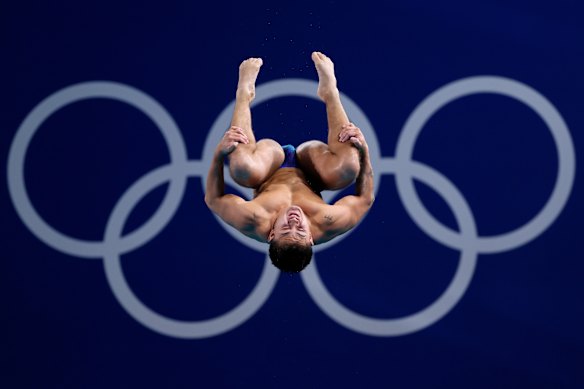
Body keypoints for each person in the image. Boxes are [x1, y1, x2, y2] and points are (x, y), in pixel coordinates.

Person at [205, 52, 374, 272]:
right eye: (301, 232)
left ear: (272, 234)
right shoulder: (328, 221)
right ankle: (330, 92)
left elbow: (213, 198)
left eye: (286, 231)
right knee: (349, 167)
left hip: (268, 165)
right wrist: (364, 150)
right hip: (312, 168)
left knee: (243, 169)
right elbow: (365, 199)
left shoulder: (253, 219)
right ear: (311, 238)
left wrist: (219, 153)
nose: (294, 222)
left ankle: (244, 94)